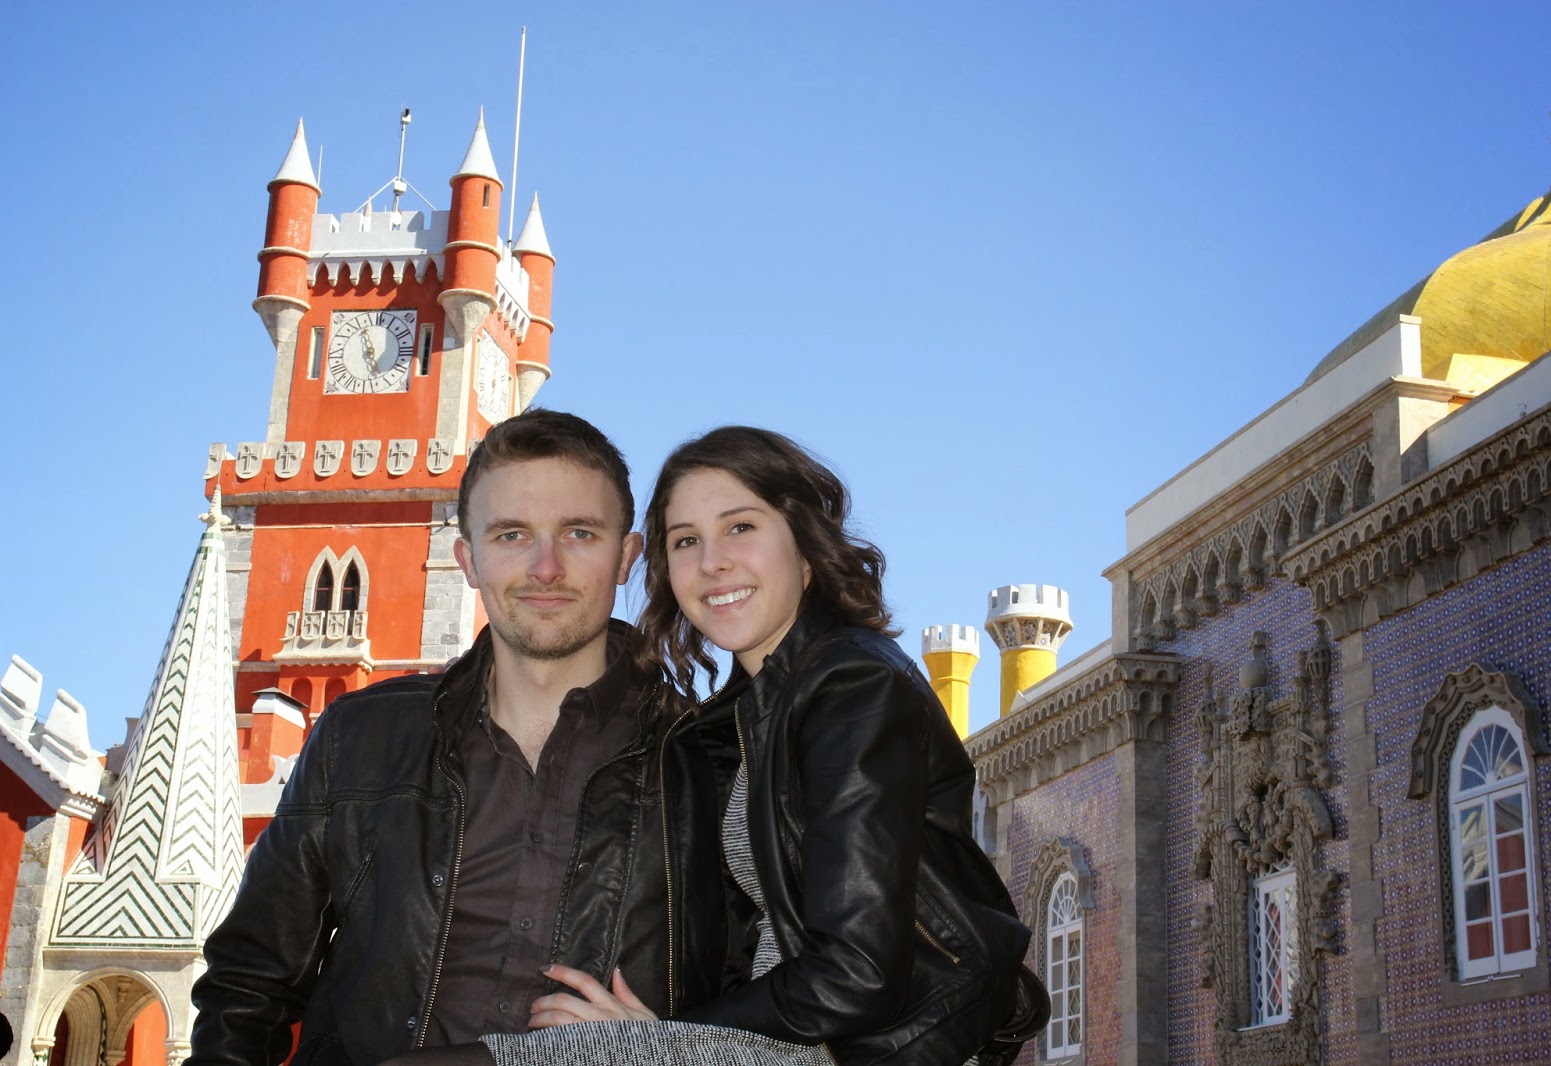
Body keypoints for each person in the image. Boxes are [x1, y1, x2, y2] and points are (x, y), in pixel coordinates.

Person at [395, 426, 1046, 1066]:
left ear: (805, 546)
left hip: (856, 1047)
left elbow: (859, 972)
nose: (712, 562)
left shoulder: (852, 684)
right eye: (686, 540)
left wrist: (663, 1035)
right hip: (784, 1036)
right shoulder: (748, 712)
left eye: (740, 527)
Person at [188, 410, 730, 1066]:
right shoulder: (358, 739)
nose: (546, 567)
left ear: (626, 557)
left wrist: (671, 1050)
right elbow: (249, 986)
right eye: (511, 535)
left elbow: (785, 996)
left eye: (579, 533)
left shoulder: (711, 765)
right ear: (468, 560)